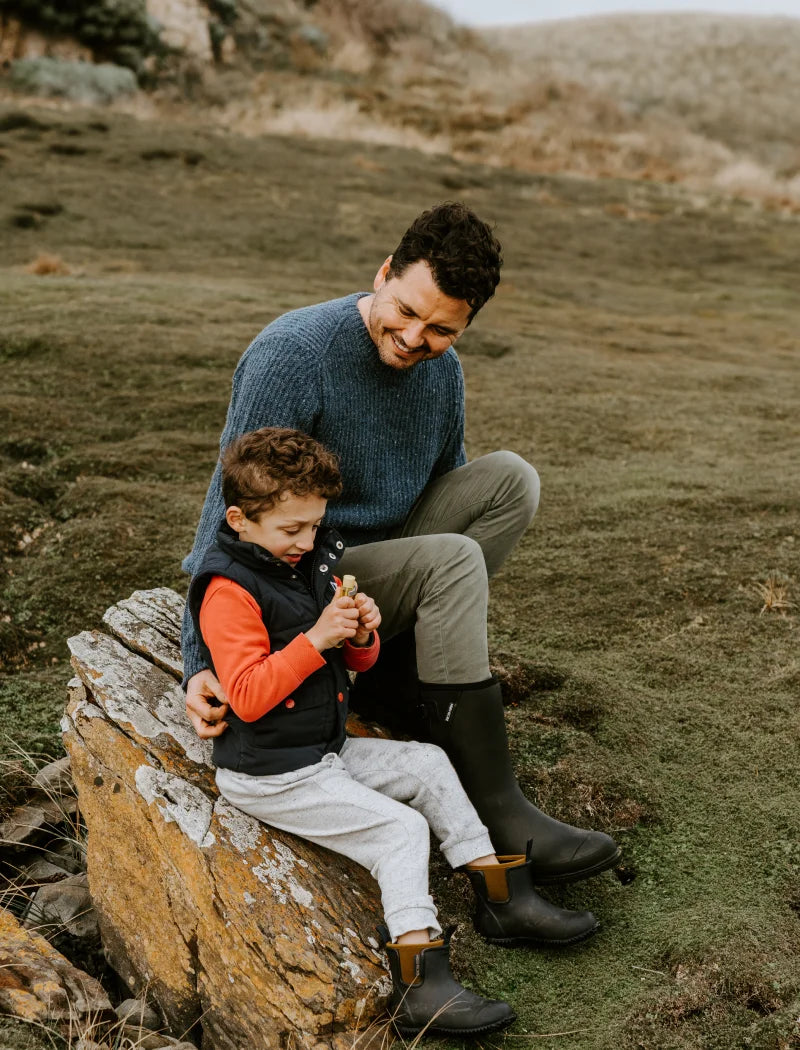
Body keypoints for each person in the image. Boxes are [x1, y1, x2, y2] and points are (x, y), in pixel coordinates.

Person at [182, 201, 621, 882]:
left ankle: (396, 676)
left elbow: (448, 490)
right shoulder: (295, 353)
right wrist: (196, 660)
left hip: (376, 574)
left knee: (512, 481)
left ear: (466, 323)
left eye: (442, 329)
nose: (415, 338)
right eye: (407, 311)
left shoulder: (442, 374)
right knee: (452, 559)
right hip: (300, 577)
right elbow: (229, 509)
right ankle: (499, 806)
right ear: (384, 273)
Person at [187, 427, 600, 1037]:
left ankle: (502, 894)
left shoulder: (306, 562)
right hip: (270, 773)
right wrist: (317, 638)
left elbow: (354, 666)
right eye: (291, 530)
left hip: (321, 750)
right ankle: (420, 979)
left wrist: (359, 636)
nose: (307, 542)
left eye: (315, 525)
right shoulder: (228, 590)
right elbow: (246, 697)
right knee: (400, 830)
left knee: (429, 762)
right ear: (240, 520)